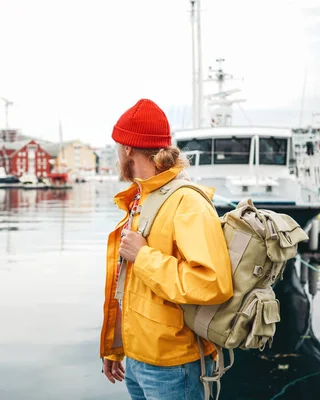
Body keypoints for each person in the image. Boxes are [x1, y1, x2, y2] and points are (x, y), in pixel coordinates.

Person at [100, 99, 233, 400]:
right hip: (138, 359)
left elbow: (212, 282)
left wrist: (144, 256)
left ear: (129, 148)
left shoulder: (187, 202)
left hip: (174, 366)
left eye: (118, 146)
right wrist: (116, 345)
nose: (117, 153)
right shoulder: (142, 198)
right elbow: (129, 284)